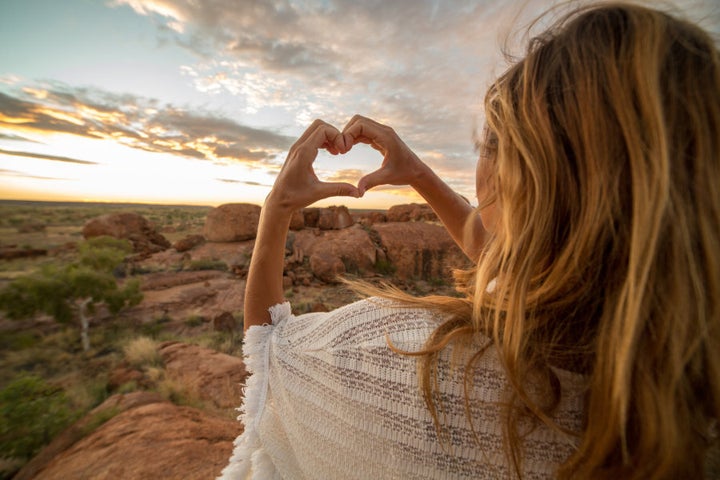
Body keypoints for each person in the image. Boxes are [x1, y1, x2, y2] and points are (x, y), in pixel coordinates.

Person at [220, 3, 720, 479]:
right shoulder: (691, 383)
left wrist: (277, 209)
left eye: (487, 146)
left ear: (521, 179)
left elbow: (268, 351)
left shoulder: (414, 365)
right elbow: (518, 251)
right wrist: (415, 171)